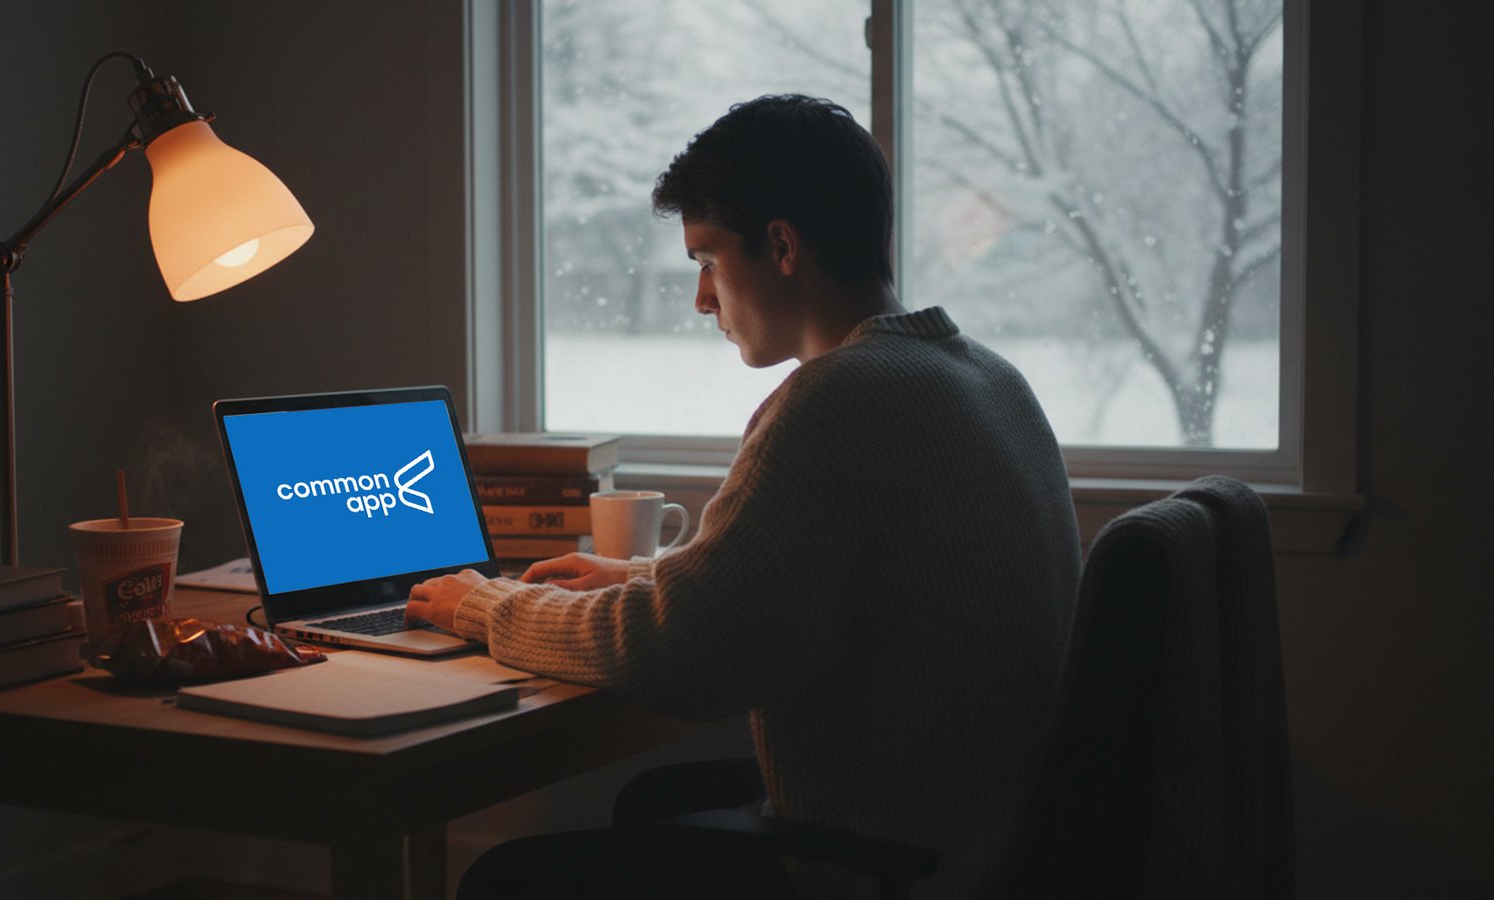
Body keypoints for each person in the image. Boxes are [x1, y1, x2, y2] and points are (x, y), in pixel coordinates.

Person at [408, 94, 1081, 898]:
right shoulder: (987, 378)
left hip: (879, 865)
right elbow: (824, 592)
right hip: (985, 837)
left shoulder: (839, 399)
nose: (701, 299)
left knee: (507, 879)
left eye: (706, 261)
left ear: (782, 245)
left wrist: (481, 606)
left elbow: (681, 658)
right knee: (651, 802)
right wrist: (639, 581)